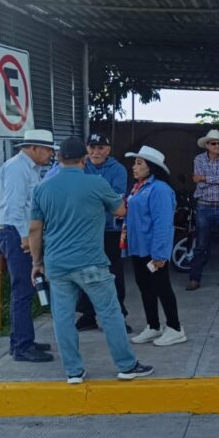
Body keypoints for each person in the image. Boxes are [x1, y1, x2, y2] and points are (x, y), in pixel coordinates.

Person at [28, 137, 153, 383]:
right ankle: (126, 366)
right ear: (84, 158)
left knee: (63, 318)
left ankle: (73, 371)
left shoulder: (42, 188)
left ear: (59, 158)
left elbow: (34, 229)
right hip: (91, 262)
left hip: (56, 263)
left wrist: (36, 263)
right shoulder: (96, 183)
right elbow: (120, 210)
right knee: (110, 313)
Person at [0, 129, 55, 363]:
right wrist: (25, 237)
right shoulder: (16, 168)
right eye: (47, 149)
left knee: (28, 289)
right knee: (22, 289)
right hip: (16, 233)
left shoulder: (32, 169)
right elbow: (15, 207)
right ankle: (22, 346)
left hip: (21, 232)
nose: (50, 154)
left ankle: (23, 340)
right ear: (33, 148)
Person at [123, 146, 187, 346]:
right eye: (134, 163)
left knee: (161, 286)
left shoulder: (159, 189)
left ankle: (175, 328)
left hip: (153, 249)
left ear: (150, 167)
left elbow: (163, 224)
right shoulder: (139, 187)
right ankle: (153, 325)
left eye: (139, 163)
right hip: (138, 247)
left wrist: (159, 254)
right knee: (145, 286)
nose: (134, 167)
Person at [73, 132, 132, 333]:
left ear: (108, 150)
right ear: (86, 149)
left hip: (110, 230)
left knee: (113, 273)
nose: (96, 152)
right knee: (86, 271)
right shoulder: (80, 166)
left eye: (100, 148)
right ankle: (88, 315)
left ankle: (119, 315)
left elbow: (116, 200)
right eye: (92, 147)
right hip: (86, 230)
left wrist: (89, 200)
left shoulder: (118, 169)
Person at [187, 129, 219, 291]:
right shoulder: (198, 159)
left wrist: (204, 178)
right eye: (214, 143)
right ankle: (194, 279)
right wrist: (217, 179)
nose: (218, 146)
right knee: (200, 246)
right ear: (207, 145)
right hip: (204, 206)